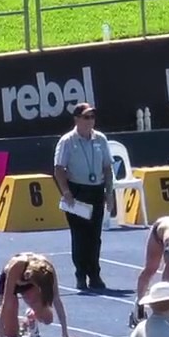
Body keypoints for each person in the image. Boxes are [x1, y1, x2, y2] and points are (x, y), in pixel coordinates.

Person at [53, 103, 114, 291]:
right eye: (86, 117)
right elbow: (59, 169)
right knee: (80, 236)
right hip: (77, 190)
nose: (90, 121)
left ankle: (94, 274)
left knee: (95, 236)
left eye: (92, 117)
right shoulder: (67, 141)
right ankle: (81, 275)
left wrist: (109, 193)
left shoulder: (100, 139)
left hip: (96, 190)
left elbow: (107, 168)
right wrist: (66, 191)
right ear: (77, 119)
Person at [0, 252, 69, 337]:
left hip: (30, 285)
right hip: (9, 282)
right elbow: (7, 301)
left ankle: (30, 317)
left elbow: (56, 299)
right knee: (12, 336)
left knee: (47, 319)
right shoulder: (17, 265)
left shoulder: (48, 269)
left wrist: (65, 334)